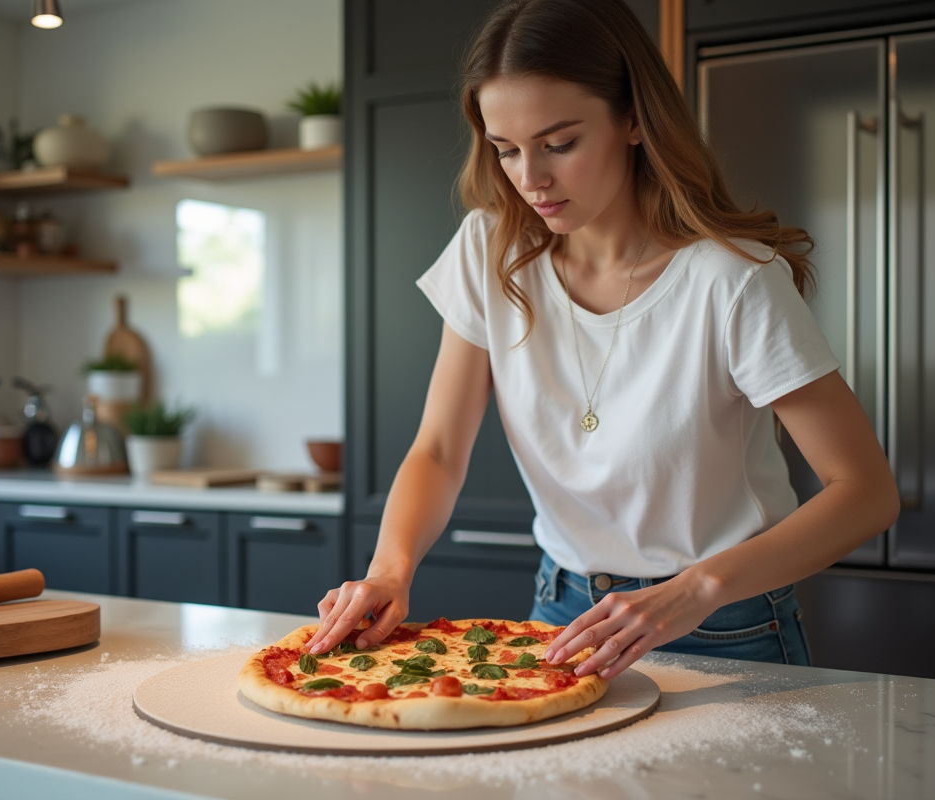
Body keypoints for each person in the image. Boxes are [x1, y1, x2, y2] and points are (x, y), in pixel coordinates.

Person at [308, 0, 899, 680]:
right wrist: (390, 569)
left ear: (634, 119)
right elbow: (438, 450)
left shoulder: (732, 279)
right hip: (562, 613)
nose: (530, 179)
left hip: (723, 627)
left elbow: (865, 491)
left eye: (559, 144)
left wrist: (696, 590)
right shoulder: (489, 251)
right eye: (506, 149)